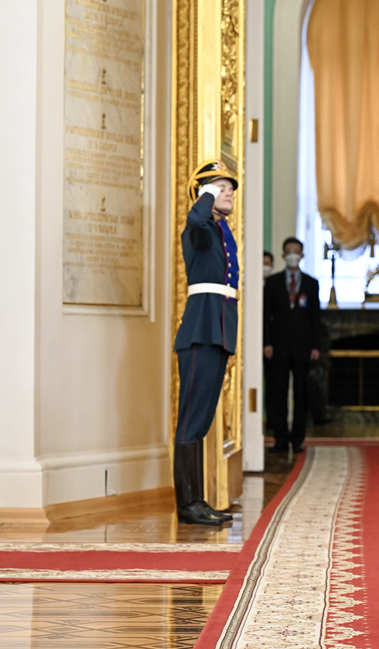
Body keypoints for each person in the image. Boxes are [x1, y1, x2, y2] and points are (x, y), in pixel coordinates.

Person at [173, 159, 241, 526]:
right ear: (204, 194)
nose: (229, 193)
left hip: (217, 329)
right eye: (220, 188)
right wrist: (206, 196)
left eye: (229, 188)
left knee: (200, 421)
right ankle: (187, 505)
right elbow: (196, 221)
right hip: (201, 330)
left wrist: (213, 196)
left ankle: (197, 500)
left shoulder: (220, 231)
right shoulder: (199, 229)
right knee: (190, 421)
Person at [264, 237, 321, 453]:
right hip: (278, 348)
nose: (292, 255)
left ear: (302, 255)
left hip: (302, 348)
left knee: (301, 394)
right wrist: (267, 342)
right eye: (289, 251)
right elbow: (265, 316)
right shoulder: (273, 282)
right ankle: (280, 438)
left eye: (296, 251)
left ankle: (298, 439)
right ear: (283, 255)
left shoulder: (311, 283)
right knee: (278, 393)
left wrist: (315, 346)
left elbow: (316, 318)